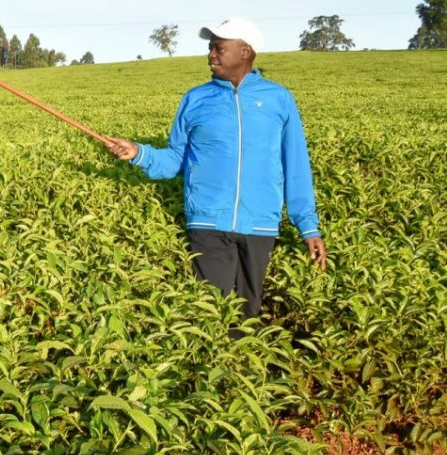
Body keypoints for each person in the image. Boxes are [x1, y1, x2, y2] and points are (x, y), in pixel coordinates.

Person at [106, 18, 327, 319]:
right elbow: (175, 160)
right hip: (208, 222)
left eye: (219, 48)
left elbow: (296, 164)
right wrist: (138, 153)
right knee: (211, 314)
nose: (210, 55)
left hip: (260, 223)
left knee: (248, 315)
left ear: (245, 52)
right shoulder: (195, 99)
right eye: (210, 48)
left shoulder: (278, 99)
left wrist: (308, 226)